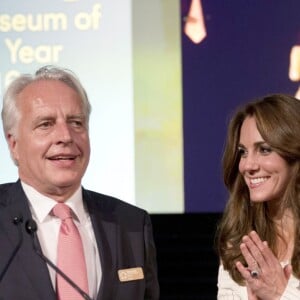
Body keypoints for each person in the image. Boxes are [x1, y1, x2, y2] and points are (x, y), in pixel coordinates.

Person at [0, 65, 160, 300]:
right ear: (14, 145)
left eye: (76, 122)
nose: (66, 136)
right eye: (46, 124)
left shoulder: (132, 224)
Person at [216, 94, 300, 299]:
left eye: (264, 150)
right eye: (243, 152)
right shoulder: (238, 242)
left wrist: (280, 294)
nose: (247, 165)